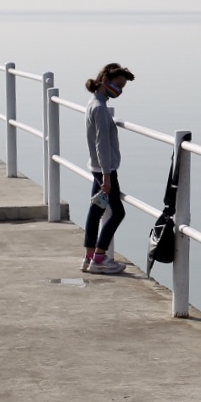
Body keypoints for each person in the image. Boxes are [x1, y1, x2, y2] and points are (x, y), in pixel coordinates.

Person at [82, 63, 135, 275]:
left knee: (96, 210)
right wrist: (107, 176)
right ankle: (100, 258)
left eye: (123, 86)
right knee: (118, 212)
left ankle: (88, 257)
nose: (120, 90)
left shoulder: (93, 103)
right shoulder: (101, 109)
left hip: (97, 167)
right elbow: (101, 144)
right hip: (105, 168)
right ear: (106, 81)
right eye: (118, 85)